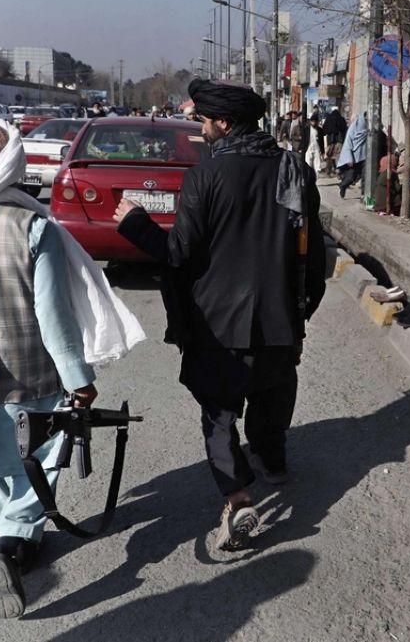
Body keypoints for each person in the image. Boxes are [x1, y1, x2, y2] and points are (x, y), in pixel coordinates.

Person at [0, 116, 144, 619]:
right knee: (43, 459)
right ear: (11, 164)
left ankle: (19, 542)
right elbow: (54, 320)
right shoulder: (34, 227)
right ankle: (10, 543)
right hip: (34, 377)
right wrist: (80, 380)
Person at [113, 79, 326, 552]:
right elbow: (312, 250)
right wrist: (305, 305)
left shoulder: (206, 174)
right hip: (279, 319)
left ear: (224, 124)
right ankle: (273, 462)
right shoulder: (294, 169)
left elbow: (179, 254)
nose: (202, 130)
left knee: (220, 415)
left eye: (205, 122)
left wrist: (134, 221)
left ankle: (238, 496)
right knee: (273, 393)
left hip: (219, 324)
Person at [337, 112, 367, 199]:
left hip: (365, 157)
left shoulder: (369, 129)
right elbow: (347, 144)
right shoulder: (353, 129)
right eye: (365, 119)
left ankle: (364, 195)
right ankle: (343, 185)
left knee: (366, 176)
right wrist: (349, 158)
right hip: (355, 157)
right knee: (351, 177)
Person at [322, 106, 347, 177]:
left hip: (330, 141)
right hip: (339, 141)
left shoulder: (329, 119)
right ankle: (339, 172)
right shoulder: (341, 119)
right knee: (338, 157)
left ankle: (328, 171)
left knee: (329, 156)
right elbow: (345, 130)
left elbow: (324, 129)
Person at [305, 112, 323, 177]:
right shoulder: (306, 130)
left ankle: (315, 178)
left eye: (315, 121)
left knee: (317, 165)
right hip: (308, 149)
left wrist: (322, 151)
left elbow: (322, 141)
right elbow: (304, 140)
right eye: (312, 121)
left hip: (317, 149)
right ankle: (308, 178)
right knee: (308, 164)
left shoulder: (320, 130)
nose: (314, 123)